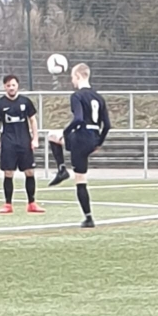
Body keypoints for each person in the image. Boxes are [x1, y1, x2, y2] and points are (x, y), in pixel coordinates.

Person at [47, 63, 111, 228]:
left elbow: (78, 119)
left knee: (52, 135)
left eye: (72, 78)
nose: (72, 81)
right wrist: (99, 143)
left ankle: (62, 169)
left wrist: (66, 132)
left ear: (78, 76)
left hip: (80, 137)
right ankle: (88, 219)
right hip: (93, 138)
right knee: (81, 178)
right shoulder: (99, 97)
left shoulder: (77, 96)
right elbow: (107, 125)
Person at [0, 74, 45, 214]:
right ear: (4, 87)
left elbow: (33, 120)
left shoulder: (25, 102)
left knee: (29, 171)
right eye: (8, 85)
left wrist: (35, 138)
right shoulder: (0, 103)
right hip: (8, 142)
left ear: (17, 85)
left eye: (13, 85)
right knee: (8, 172)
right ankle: (8, 204)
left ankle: (32, 203)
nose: (11, 88)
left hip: (24, 141)